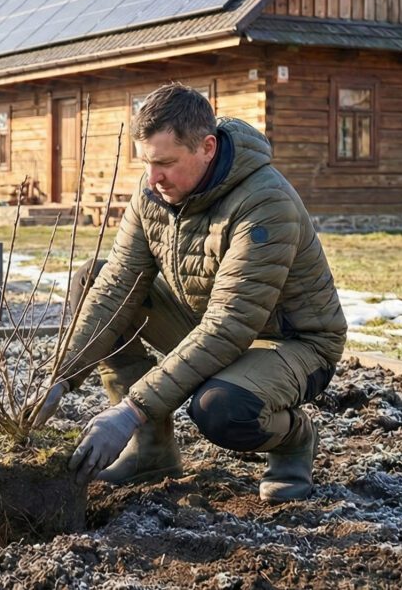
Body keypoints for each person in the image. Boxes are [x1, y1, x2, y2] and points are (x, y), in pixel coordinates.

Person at [33, 83, 346, 502]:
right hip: (205, 320)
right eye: (146, 163)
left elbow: (229, 325)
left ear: (207, 148)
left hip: (290, 343)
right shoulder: (155, 193)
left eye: (165, 162)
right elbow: (115, 289)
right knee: (93, 278)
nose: (152, 178)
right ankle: (151, 453)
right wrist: (62, 377)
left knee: (220, 408)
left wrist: (131, 411)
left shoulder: (265, 202)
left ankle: (294, 441)